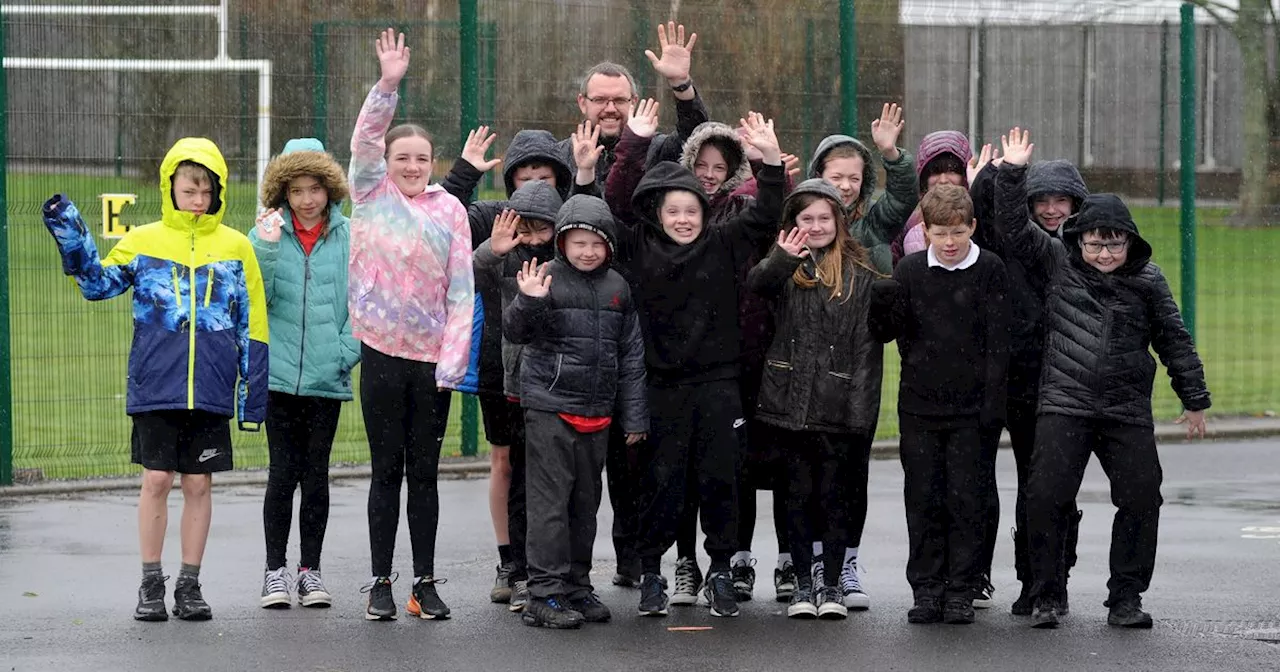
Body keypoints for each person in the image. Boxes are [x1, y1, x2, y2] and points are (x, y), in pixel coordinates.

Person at [41, 138, 268, 622]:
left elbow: (254, 324)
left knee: (199, 484)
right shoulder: (143, 241)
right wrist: (70, 232)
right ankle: (150, 583)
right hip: (155, 385)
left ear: (219, 192)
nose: (198, 200)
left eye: (207, 191)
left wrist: (254, 396)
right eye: (190, 189)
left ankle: (189, 584)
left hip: (209, 388)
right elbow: (97, 285)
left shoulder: (236, 247)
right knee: (157, 478)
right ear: (171, 188)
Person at [993, 128, 1210, 630]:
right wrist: (1012, 172)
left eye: (1114, 245)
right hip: (1064, 402)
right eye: (1095, 244)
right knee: (1046, 496)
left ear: (1130, 242)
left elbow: (1173, 339)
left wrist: (1194, 397)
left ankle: (1126, 597)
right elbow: (1012, 226)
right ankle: (1048, 593)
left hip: (1124, 407)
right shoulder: (1057, 262)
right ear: (1079, 239)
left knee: (1141, 496)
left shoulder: (1148, 280)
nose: (1105, 254)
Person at [605, 101, 784, 618]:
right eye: (673, 211)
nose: (683, 218)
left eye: (692, 210)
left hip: (718, 385)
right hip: (663, 387)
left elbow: (768, 213)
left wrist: (770, 162)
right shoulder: (637, 245)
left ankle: (721, 570)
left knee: (721, 478)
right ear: (657, 213)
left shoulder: (724, 242)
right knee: (660, 483)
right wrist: (633, 143)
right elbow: (612, 202)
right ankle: (653, 576)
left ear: (705, 211)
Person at [348, 29, 474, 622]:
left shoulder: (449, 210)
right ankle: (379, 582)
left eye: (422, 159)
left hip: (430, 363)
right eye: (404, 158)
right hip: (379, 354)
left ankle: (424, 583)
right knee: (385, 472)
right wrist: (388, 84)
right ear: (387, 163)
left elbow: (461, 292)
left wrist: (451, 360)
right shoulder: (369, 192)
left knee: (425, 474)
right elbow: (367, 138)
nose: (413, 166)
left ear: (434, 164)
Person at [504, 195, 648, 629]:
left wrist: (635, 417)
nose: (587, 251)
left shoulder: (619, 288)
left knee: (585, 505)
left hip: (598, 413)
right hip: (550, 408)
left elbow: (631, 356)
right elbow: (517, 330)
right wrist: (528, 300)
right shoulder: (543, 277)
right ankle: (543, 593)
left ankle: (576, 586)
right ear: (562, 244)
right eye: (578, 242)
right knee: (549, 505)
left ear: (609, 247)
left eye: (596, 244)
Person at [870, 183, 1010, 626]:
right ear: (925, 231)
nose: (949, 243)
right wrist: (882, 303)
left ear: (972, 227)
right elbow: (890, 333)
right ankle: (927, 588)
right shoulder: (910, 271)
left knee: (966, 500)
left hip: (972, 412)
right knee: (924, 498)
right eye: (939, 233)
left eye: (957, 232)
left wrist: (992, 407)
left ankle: (961, 590)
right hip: (920, 408)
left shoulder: (989, 269)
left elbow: (998, 343)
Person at [746, 179, 885, 620]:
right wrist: (783, 258)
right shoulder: (785, 270)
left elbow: (868, 352)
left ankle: (831, 586)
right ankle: (803, 582)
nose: (817, 226)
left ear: (840, 223)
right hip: (787, 406)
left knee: (835, 498)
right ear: (792, 225)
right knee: (796, 496)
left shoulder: (862, 277)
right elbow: (756, 286)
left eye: (825, 218)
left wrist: (860, 414)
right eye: (807, 219)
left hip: (837, 407)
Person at [250, 138, 357, 610]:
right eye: (297, 190)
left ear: (329, 189)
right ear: (283, 193)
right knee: (281, 474)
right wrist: (268, 248)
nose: (307, 199)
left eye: (315, 188)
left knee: (316, 476)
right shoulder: (263, 236)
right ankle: (274, 572)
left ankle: (309, 573)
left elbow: (362, 301)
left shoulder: (350, 235)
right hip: (278, 379)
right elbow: (259, 300)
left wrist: (343, 352)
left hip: (325, 377)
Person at [560, 21, 710, 186]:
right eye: (600, 100)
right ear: (582, 103)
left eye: (619, 100)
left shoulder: (654, 150)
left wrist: (681, 83)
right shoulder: (560, 156)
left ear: (634, 102)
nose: (610, 109)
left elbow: (695, 135)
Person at [808, 103, 918, 274]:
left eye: (854, 178)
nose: (845, 186)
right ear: (818, 176)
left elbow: (903, 198)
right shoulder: (801, 217)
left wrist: (890, 153)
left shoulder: (873, 222)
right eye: (836, 178)